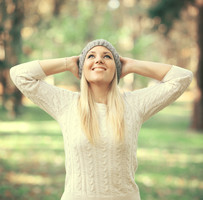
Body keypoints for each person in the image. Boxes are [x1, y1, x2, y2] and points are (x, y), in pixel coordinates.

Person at [10, 39, 193, 200]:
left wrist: (132, 65)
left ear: (117, 68)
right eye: (90, 56)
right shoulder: (66, 104)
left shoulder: (134, 105)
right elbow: (20, 75)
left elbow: (182, 77)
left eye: (107, 56)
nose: (98, 59)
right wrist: (68, 63)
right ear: (82, 67)